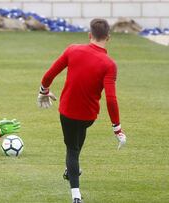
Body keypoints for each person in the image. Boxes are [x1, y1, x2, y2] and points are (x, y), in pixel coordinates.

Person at [37, 18, 127, 203]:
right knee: (76, 145)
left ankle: (75, 195)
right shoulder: (109, 64)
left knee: (71, 149)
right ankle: (72, 170)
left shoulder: (73, 49)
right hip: (88, 116)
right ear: (108, 37)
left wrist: (43, 91)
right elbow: (111, 99)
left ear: (89, 35)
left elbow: (49, 74)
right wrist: (117, 128)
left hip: (67, 112)